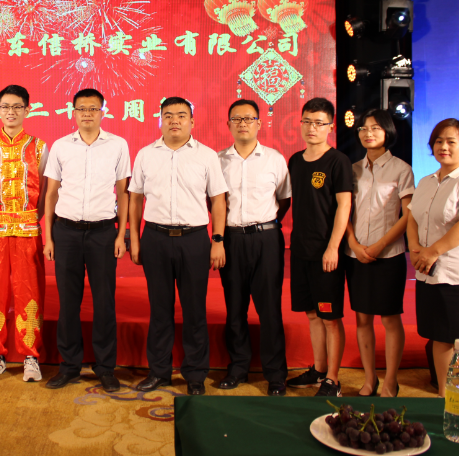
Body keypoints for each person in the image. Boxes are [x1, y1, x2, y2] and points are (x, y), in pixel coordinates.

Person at [128, 97, 228, 396]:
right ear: (160, 120)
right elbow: (135, 199)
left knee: (195, 310)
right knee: (160, 309)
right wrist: (135, 239)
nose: (175, 120)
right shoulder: (146, 155)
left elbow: (218, 200)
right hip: (155, 238)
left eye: (182, 115)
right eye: (168, 115)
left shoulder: (207, 156)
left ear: (192, 121)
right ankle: (159, 372)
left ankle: (195, 375)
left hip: (194, 240)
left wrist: (218, 240)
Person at [43, 88, 130, 392]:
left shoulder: (117, 145)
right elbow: (51, 194)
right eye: (82, 109)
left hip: (103, 233)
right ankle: (69, 366)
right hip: (65, 232)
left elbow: (123, 192)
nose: (87, 114)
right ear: (73, 112)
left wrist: (121, 234)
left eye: (93, 108)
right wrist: (49, 236)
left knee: (104, 301)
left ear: (102, 112)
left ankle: (105, 367)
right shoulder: (61, 146)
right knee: (68, 302)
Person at [407, 118, 459, 397]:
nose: (443, 146)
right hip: (429, 274)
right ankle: (444, 396)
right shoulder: (426, 181)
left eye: (451, 142)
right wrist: (415, 247)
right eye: (439, 141)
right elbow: (412, 217)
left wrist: (432, 252)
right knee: (440, 338)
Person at [216, 99, 291, 396]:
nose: (243, 123)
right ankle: (238, 367)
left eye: (249, 118)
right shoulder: (218, 160)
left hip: (266, 239)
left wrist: (265, 225)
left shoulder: (274, 159)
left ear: (259, 123)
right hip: (231, 239)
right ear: (228, 124)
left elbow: (284, 198)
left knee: (269, 309)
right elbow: (215, 202)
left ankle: (275, 374)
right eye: (237, 119)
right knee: (235, 308)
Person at [0, 85, 49, 382]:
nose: (11, 112)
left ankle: (31, 355)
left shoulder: (40, 147)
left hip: (29, 229)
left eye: (17, 106)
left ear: (27, 110)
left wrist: (31, 217)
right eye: (5, 106)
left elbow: (46, 190)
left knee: (29, 291)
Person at [285, 97, 352, 397]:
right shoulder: (295, 161)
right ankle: (319, 369)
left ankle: (333, 380)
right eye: (307, 122)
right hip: (300, 250)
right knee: (312, 314)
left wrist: (333, 247)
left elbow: (344, 206)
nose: (312, 128)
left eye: (319, 123)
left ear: (330, 127)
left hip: (327, 253)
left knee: (330, 318)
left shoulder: (338, 161)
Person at [345, 109, 415, 398]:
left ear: (388, 132)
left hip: (389, 255)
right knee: (362, 319)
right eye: (363, 128)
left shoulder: (401, 169)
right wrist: (354, 244)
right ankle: (369, 378)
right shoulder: (352, 169)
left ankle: (390, 381)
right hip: (356, 254)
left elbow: (408, 215)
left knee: (389, 319)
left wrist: (379, 245)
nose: (368, 133)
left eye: (375, 128)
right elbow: (344, 210)